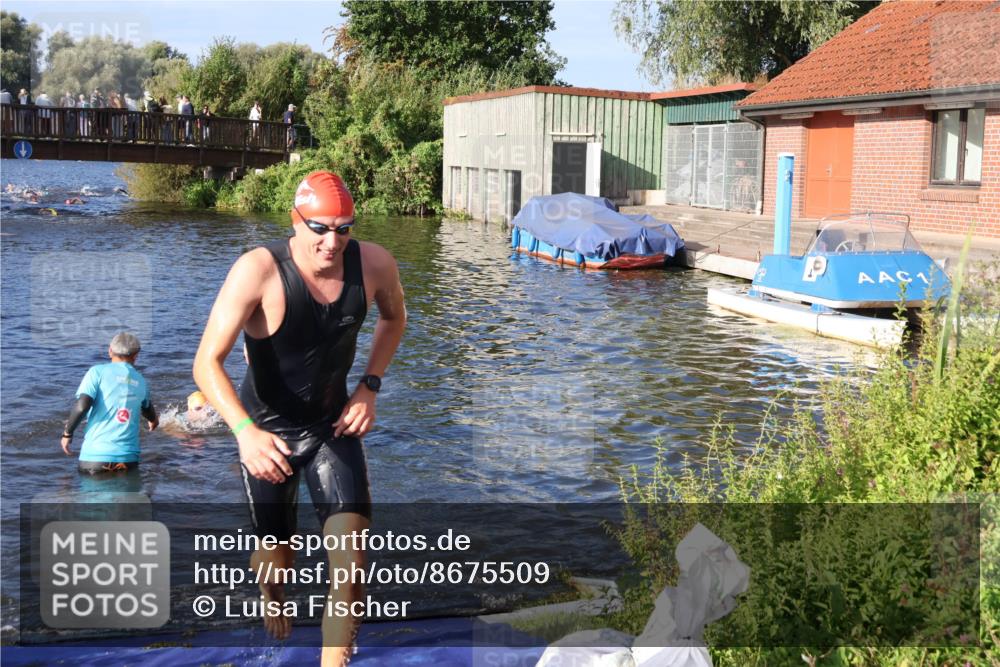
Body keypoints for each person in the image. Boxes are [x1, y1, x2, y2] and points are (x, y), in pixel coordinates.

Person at [193, 171, 406, 666]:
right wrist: (244, 433)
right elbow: (206, 362)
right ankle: (272, 594)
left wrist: (369, 387)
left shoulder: (374, 264)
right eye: (319, 228)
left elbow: (395, 319)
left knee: (351, 563)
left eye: (344, 228)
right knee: (277, 559)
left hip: (333, 428)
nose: (332, 241)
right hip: (267, 436)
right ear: (295, 221)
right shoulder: (259, 270)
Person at [61, 332, 158, 490]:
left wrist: (68, 434)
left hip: (94, 459)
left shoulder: (97, 372)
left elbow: (82, 405)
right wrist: (153, 421)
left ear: (110, 351)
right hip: (127, 460)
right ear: (136, 356)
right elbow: (147, 409)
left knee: (92, 511)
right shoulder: (141, 380)